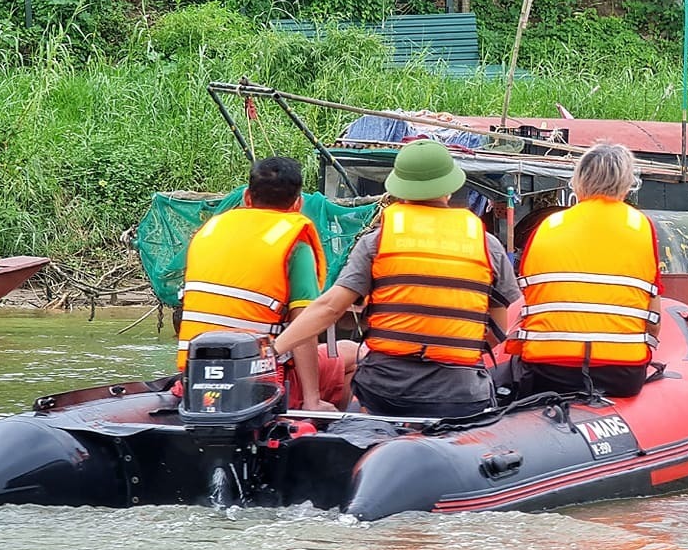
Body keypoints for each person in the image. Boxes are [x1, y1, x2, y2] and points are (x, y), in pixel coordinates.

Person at [270, 139, 519, 419]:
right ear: (450, 189)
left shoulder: (377, 242)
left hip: (387, 391)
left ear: (399, 190)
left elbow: (330, 307)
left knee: (356, 385)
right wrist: (455, 351)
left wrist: (273, 350)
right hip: (460, 394)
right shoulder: (488, 245)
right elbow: (500, 325)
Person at [177, 157, 355, 413]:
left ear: (247, 197)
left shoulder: (209, 231)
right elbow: (303, 324)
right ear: (298, 203)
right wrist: (311, 399)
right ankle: (315, 427)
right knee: (353, 352)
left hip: (193, 374)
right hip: (262, 378)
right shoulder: (295, 244)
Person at [511, 141, 662, 398]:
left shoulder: (546, 226)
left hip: (548, 372)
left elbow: (529, 297)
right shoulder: (642, 227)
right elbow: (653, 321)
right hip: (622, 375)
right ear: (627, 185)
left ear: (578, 182)